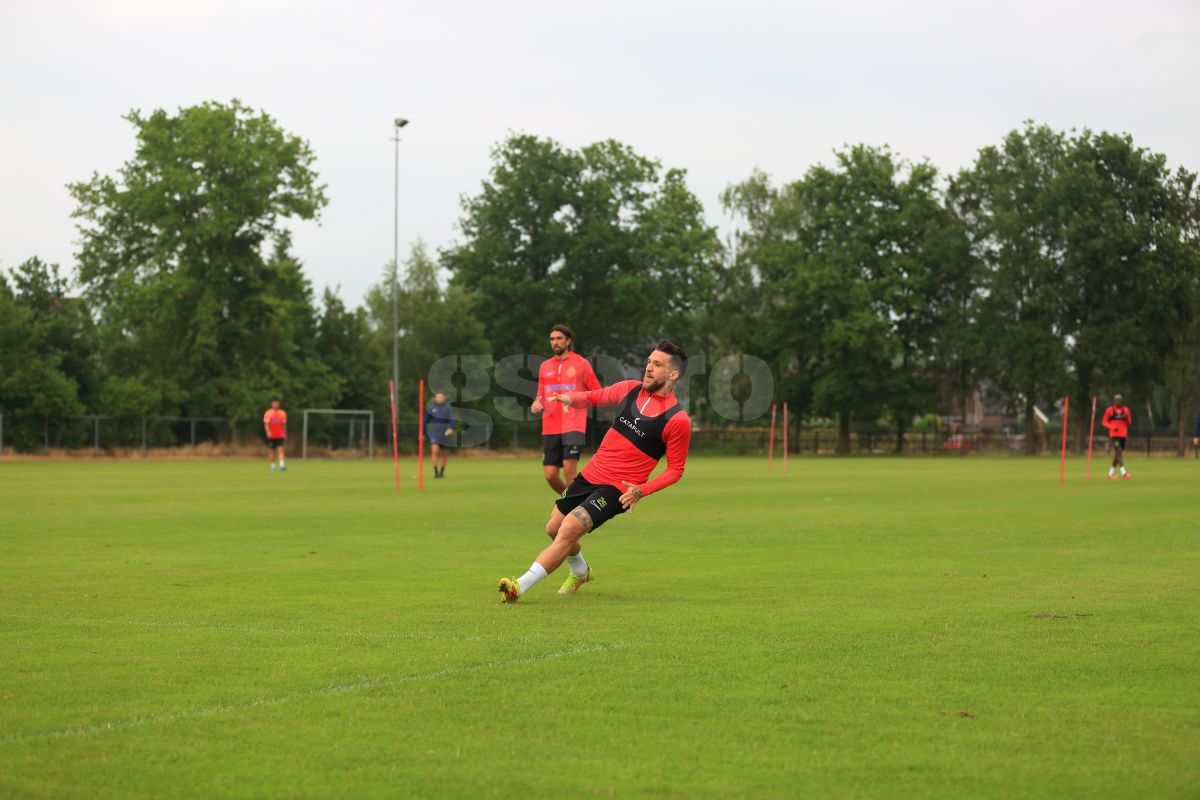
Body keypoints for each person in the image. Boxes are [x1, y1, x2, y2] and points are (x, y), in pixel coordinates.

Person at [500, 340, 691, 602]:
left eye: (657, 364)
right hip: (591, 473)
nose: (648, 368)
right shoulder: (629, 390)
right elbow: (595, 396)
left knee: (568, 529)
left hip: (618, 488)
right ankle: (580, 571)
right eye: (648, 361)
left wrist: (640, 491)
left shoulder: (677, 420)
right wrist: (571, 398)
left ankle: (518, 586)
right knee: (553, 528)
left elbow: (676, 470)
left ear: (673, 374)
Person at [529, 324, 601, 493]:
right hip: (550, 427)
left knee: (570, 472)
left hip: (573, 425)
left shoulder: (581, 364)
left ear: (568, 341)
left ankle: (570, 512)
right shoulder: (544, 366)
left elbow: (597, 394)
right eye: (552, 339)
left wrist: (576, 400)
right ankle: (573, 505)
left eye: (559, 338)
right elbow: (541, 394)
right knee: (550, 475)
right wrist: (536, 403)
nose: (555, 342)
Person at [1101, 393, 1132, 480]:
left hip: (1123, 434)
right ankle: (1124, 473)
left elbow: (1129, 423)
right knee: (1119, 452)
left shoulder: (1126, 410)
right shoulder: (1109, 410)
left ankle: (1110, 474)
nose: (1118, 401)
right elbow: (1104, 422)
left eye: (1119, 400)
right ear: (1114, 401)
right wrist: (1112, 427)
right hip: (1114, 435)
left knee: (1117, 454)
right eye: (1116, 400)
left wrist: (1126, 419)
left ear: (1122, 401)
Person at [425, 391, 455, 479]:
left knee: (444, 454)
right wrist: (422, 432)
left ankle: (442, 472)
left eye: (441, 397)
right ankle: (435, 472)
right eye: (438, 397)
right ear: (435, 398)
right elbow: (425, 420)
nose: (439, 399)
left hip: (444, 434)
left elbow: (452, 419)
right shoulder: (431, 408)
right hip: (434, 433)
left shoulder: (448, 408)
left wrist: (451, 428)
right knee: (434, 451)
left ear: (444, 398)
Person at [263, 399, 287, 472]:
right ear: (272, 404)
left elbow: (284, 424)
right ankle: (273, 466)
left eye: (277, 403)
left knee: (280, 450)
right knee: (271, 451)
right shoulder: (268, 413)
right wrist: (268, 432)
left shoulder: (282, 413)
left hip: (280, 435)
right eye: (274, 403)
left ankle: (282, 465)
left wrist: (285, 433)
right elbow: (266, 424)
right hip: (271, 436)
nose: (275, 404)